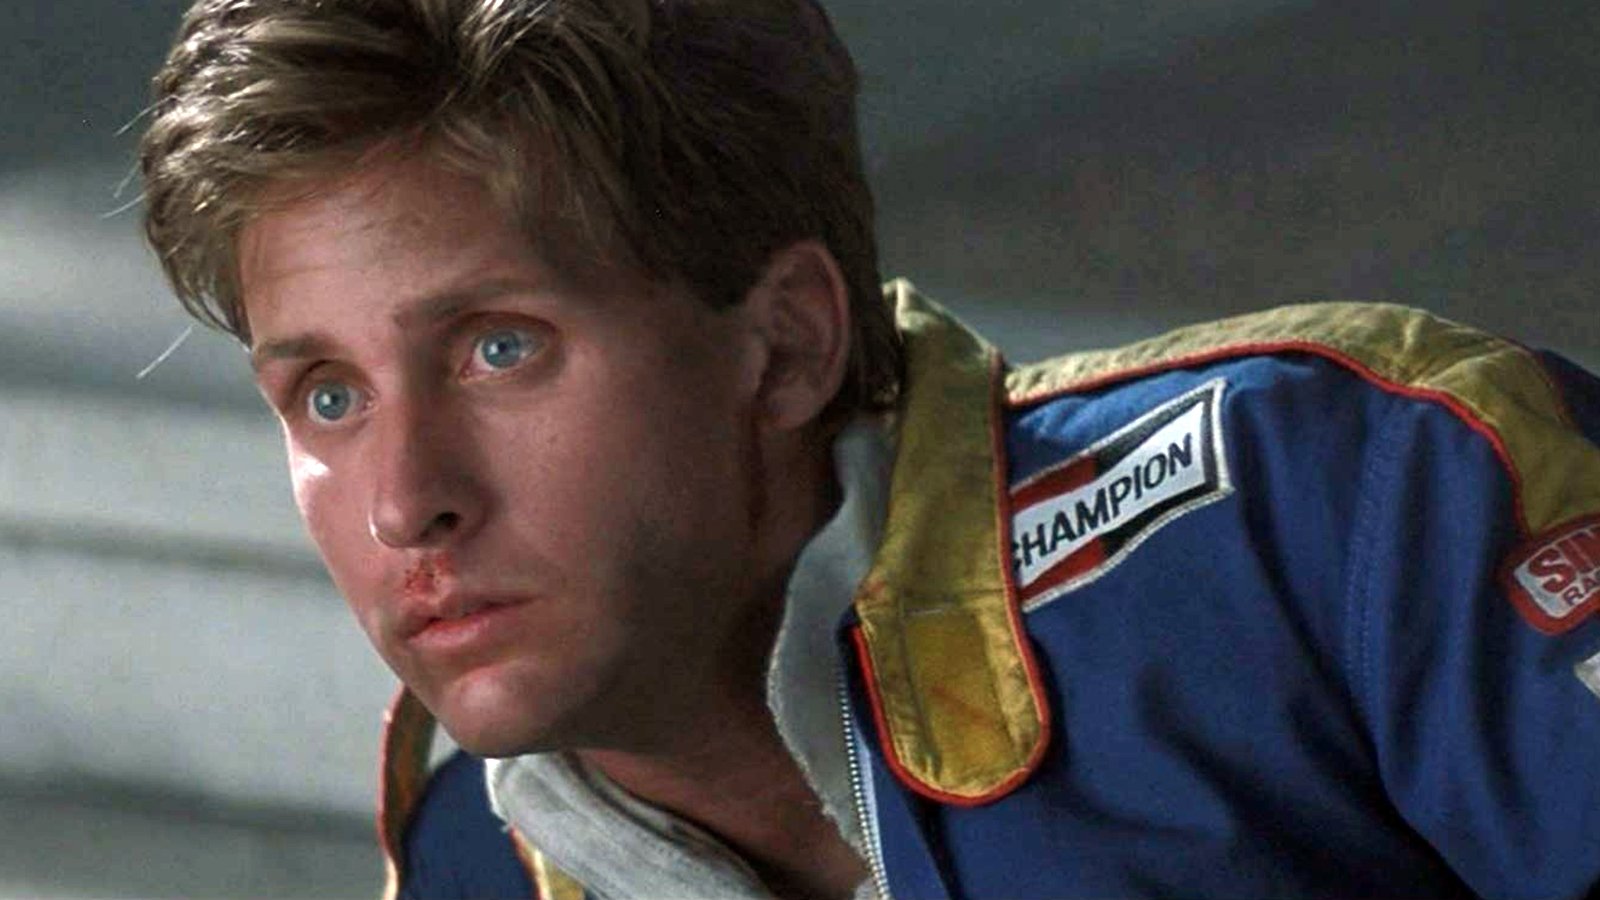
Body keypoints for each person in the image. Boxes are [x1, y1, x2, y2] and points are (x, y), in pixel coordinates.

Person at [136, 0, 1600, 897]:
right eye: (327, 396)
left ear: (784, 344)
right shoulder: (475, 851)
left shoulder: (1344, 497)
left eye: (498, 349)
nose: (406, 505)